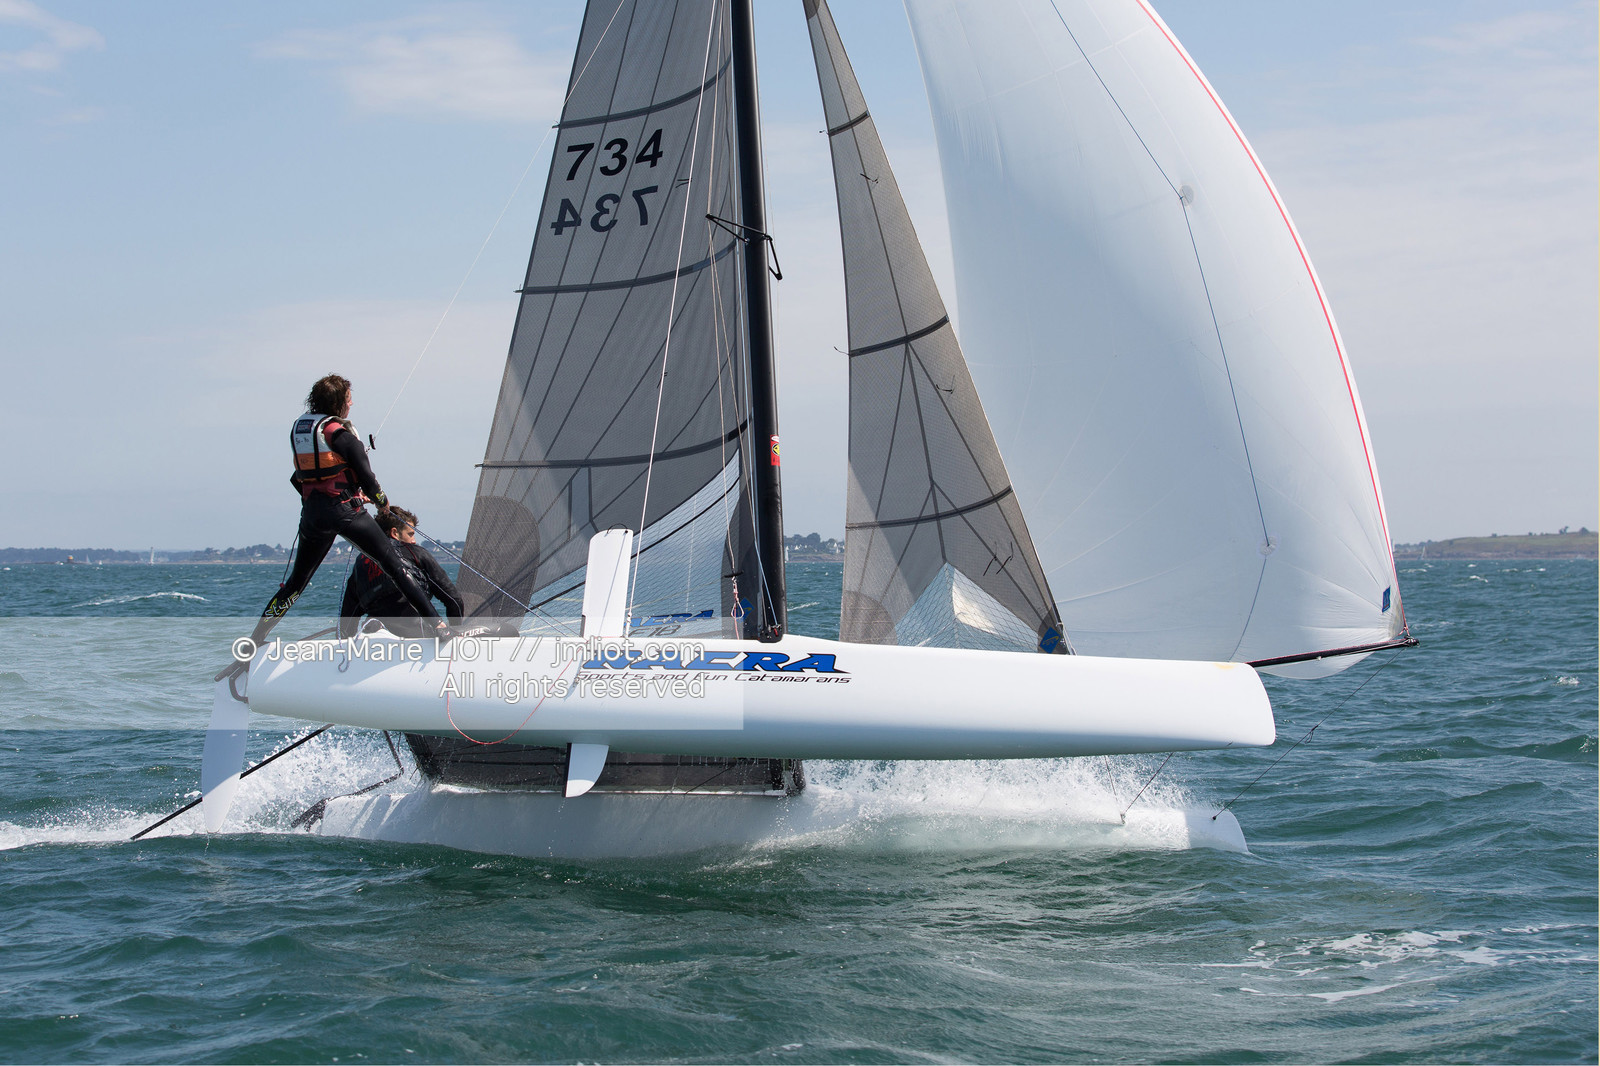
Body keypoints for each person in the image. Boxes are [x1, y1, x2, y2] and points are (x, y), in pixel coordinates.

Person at [229, 374, 447, 673]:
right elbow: (370, 480)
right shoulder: (342, 435)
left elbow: (298, 478)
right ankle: (439, 628)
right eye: (349, 398)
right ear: (338, 402)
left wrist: (329, 498)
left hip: (313, 516)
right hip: (345, 514)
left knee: (295, 584)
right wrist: (381, 501)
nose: (352, 402)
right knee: (395, 566)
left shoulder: (302, 432)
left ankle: (251, 647)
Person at [339, 506, 463, 639]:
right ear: (395, 533)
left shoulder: (360, 564)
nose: (414, 540)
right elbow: (454, 601)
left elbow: (347, 622)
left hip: (372, 642)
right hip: (416, 640)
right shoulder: (415, 553)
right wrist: (455, 630)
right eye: (410, 534)